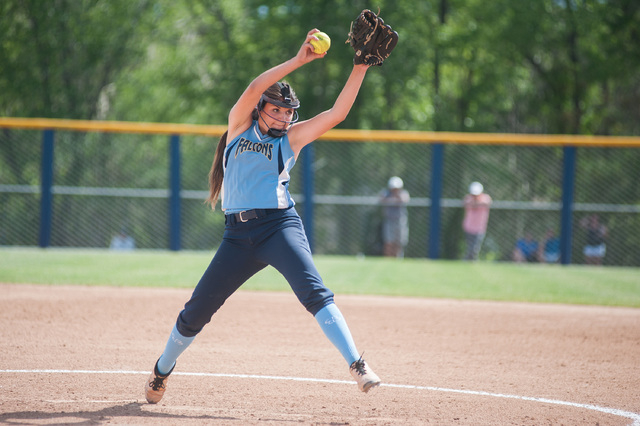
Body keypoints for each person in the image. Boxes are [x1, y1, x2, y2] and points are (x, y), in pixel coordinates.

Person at [144, 29, 382, 404]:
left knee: (314, 291)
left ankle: (357, 364)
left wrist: (360, 67)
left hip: (278, 227)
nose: (285, 117)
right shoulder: (238, 126)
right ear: (260, 110)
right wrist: (299, 60)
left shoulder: (291, 139)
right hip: (237, 238)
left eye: (289, 112)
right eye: (277, 110)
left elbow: (337, 114)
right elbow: (256, 86)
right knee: (196, 312)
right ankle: (161, 371)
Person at [379, 176, 410, 258]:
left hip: (400, 220)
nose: (395, 190)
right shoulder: (386, 193)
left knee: (399, 242)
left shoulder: (403, 193)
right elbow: (381, 199)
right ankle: (388, 258)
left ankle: (397, 258)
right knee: (388, 241)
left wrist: (396, 197)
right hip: (389, 220)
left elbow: (405, 199)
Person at [462, 181, 492, 261]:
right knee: (470, 246)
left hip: (480, 227)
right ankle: (470, 260)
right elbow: (467, 203)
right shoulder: (468, 198)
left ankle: (470, 259)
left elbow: (487, 202)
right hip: (469, 227)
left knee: (475, 247)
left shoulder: (485, 198)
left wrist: (477, 202)